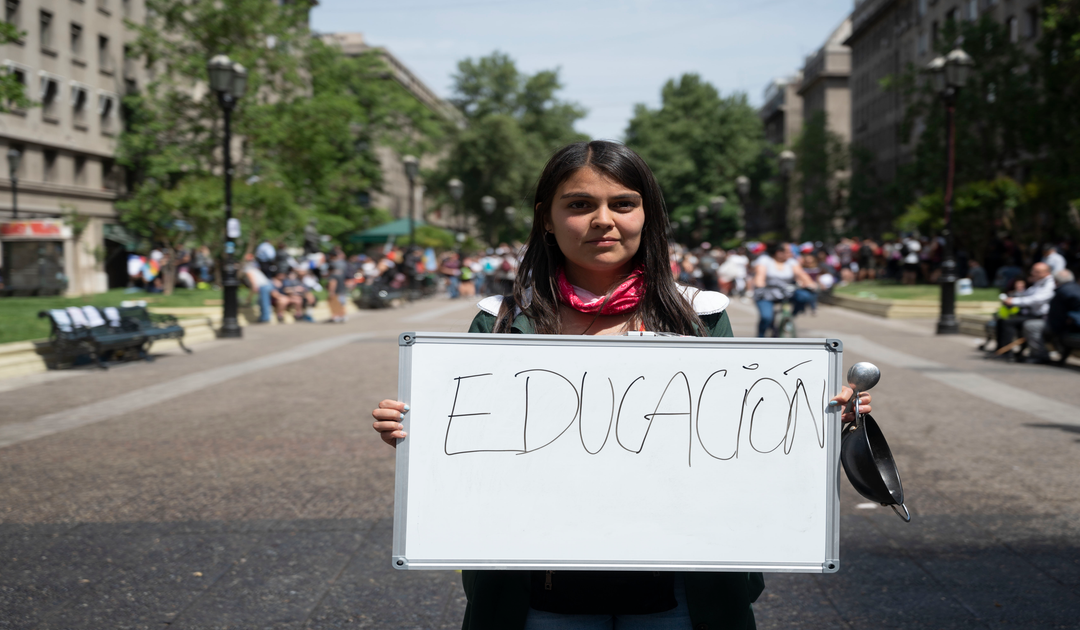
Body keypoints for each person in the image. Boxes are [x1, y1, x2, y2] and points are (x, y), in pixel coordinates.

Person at [371, 141, 871, 630]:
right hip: (539, 590)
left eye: (623, 204)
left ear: (647, 214)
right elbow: (470, 454)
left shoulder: (700, 318)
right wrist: (419, 431)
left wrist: (821, 418)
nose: (603, 220)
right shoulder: (501, 322)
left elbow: (740, 440)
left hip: (679, 588)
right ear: (547, 217)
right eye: (580, 204)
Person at [1022, 269, 1080, 364]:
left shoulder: (1061, 292)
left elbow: (1057, 316)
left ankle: (1040, 355)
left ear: (1056, 281)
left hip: (1070, 325)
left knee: (1031, 326)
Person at [752, 242, 819, 337]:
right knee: (766, 317)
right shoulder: (764, 260)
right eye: (788, 251)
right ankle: (760, 337)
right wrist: (760, 283)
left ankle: (790, 317)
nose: (791, 254)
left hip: (786, 292)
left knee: (805, 296)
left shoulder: (792, 262)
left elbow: (801, 274)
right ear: (778, 252)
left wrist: (810, 283)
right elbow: (760, 275)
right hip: (766, 293)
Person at [996, 262, 1054, 359]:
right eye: (1033, 271)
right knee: (1002, 320)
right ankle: (1002, 350)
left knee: (1008, 322)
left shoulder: (1049, 284)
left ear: (1045, 273)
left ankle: (1007, 352)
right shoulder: (1038, 282)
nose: (1032, 273)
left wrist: (1014, 301)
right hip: (1031, 314)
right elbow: (1028, 294)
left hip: (1041, 317)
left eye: (1036, 272)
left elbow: (1036, 300)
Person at [242, 253, 273, 323]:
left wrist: (254, 287)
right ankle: (264, 317)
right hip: (267, 284)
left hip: (263, 285)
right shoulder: (253, 267)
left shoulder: (247, 269)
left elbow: (252, 280)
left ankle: (265, 318)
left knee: (263, 302)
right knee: (262, 302)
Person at [327, 247, 349, 323]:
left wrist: (331, 291)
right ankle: (342, 315)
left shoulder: (331, 264)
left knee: (334, 302)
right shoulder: (343, 263)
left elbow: (332, 281)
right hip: (342, 286)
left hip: (336, 287)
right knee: (342, 302)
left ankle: (336, 316)